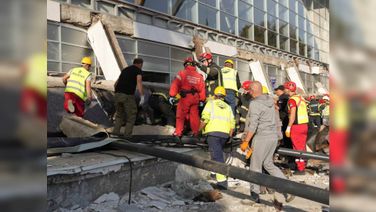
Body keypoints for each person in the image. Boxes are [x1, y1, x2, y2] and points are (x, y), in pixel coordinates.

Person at [241, 81, 294, 203]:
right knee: (268, 164)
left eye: (249, 90)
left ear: (252, 91)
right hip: (273, 137)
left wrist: (246, 141)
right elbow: (276, 120)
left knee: (255, 167)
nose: (248, 92)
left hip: (262, 138)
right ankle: (288, 189)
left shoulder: (255, 104)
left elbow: (253, 124)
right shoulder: (270, 101)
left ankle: (254, 195)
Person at [200, 86, 235, 190]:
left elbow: (205, 119)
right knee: (216, 153)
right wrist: (230, 135)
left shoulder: (210, 104)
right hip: (224, 134)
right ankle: (213, 173)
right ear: (224, 96)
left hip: (213, 133)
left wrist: (197, 131)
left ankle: (222, 181)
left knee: (217, 156)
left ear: (215, 95)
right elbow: (232, 123)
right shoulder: (228, 107)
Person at [169, 57, 206, 137]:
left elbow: (175, 84)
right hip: (195, 98)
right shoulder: (199, 76)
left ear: (185, 65)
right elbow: (202, 88)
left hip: (185, 97)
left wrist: (172, 95)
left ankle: (178, 132)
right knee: (195, 116)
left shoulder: (182, 73)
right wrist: (202, 100)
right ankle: (196, 133)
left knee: (180, 115)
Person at [112, 58, 144, 137]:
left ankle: (115, 133)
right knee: (131, 115)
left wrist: (117, 93)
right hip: (127, 96)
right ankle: (127, 135)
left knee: (119, 115)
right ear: (140, 64)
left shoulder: (124, 70)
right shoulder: (138, 70)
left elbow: (115, 84)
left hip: (117, 95)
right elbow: (139, 83)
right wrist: (142, 96)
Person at [284, 81, 309, 174]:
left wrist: (289, 127)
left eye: (285, 88)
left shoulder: (292, 100)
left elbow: (293, 114)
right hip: (304, 125)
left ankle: (301, 168)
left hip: (296, 126)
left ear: (288, 89)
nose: (284, 90)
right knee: (301, 146)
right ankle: (302, 165)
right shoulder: (300, 98)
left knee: (297, 147)